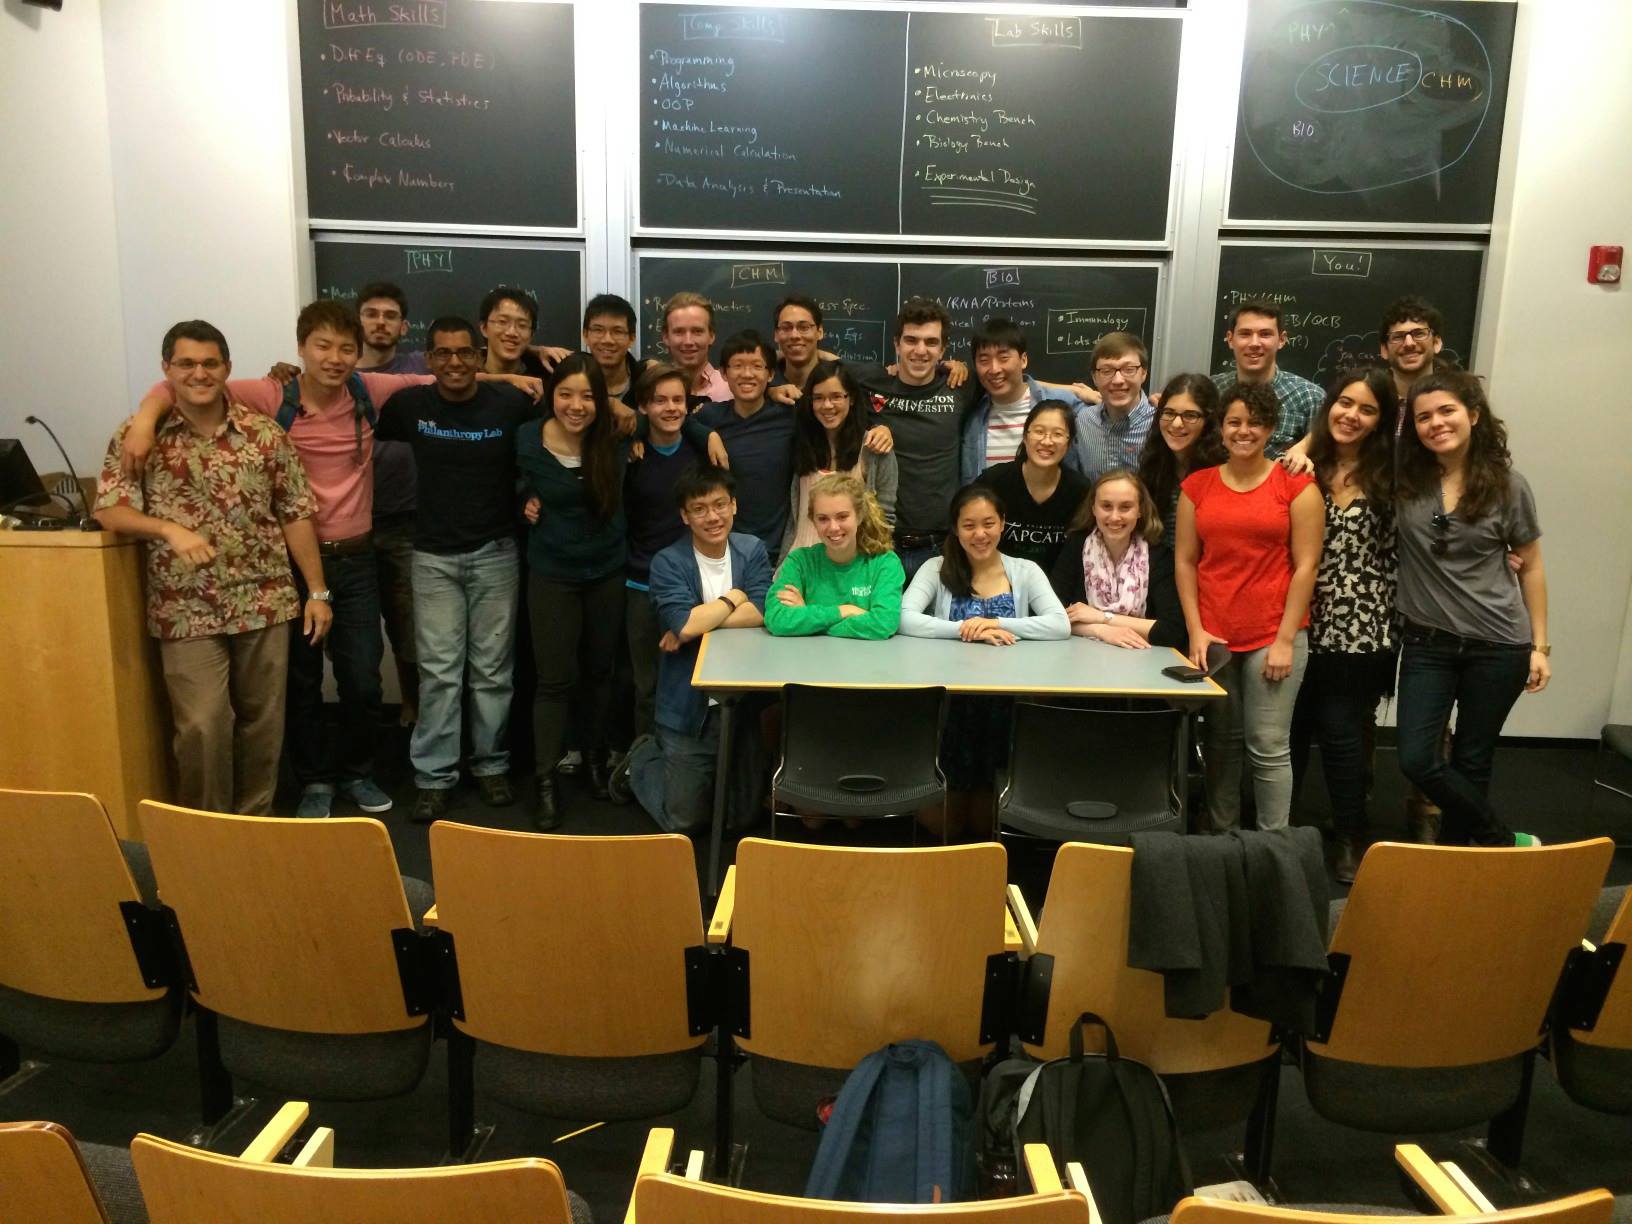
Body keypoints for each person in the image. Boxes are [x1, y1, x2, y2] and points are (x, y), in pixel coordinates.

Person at [123, 300, 438, 819]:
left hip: (356, 559)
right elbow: (181, 383)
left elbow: (439, 378)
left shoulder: (368, 390)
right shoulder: (271, 394)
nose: (334, 358)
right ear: (301, 348)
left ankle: (357, 772)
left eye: (345, 349)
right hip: (287, 565)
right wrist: (144, 420)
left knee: (362, 678)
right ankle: (313, 778)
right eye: (323, 346)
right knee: (300, 679)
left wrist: (519, 378)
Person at [94, 320, 330, 817]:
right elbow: (109, 510)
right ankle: (205, 835)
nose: (199, 373)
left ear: (227, 368)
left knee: (263, 724)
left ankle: (253, 827)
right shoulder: (140, 436)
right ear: (166, 370)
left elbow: (295, 513)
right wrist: (167, 530)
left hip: (265, 602)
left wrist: (317, 591)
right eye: (186, 363)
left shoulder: (264, 434)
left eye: (209, 363)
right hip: (186, 610)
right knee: (202, 725)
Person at [518, 354, 719, 827]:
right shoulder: (527, 437)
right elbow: (516, 481)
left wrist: (705, 432)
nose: (576, 404)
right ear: (552, 395)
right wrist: (523, 497)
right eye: (566, 393)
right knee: (553, 679)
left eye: (588, 395)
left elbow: (670, 424)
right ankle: (545, 779)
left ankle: (594, 761)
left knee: (600, 673)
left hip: (607, 571)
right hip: (552, 574)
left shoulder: (617, 436)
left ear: (602, 401)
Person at [372, 316, 543, 823]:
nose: (454, 363)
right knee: (440, 673)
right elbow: (360, 391)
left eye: (464, 353)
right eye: (443, 354)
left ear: (478, 356)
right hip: (432, 558)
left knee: (492, 672)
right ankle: (434, 776)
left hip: (496, 552)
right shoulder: (408, 406)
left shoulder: (509, 405)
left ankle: (491, 765)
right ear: (428, 359)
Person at [1393, 370, 1548, 848]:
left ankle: (1461, 868)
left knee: (1473, 760)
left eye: (1447, 411)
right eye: (1423, 417)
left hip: (1499, 643)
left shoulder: (1508, 485)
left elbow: (1533, 568)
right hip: (1427, 641)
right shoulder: (1402, 478)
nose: (1435, 423)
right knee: (1417, 758)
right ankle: (1503, 842)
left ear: (1474, 415)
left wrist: (1541, 646)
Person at [1176, 382, 1323, 832]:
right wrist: (1197, 631)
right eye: (1235, 422)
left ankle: (1274, 844)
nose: (1244, 431)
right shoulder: (1197, 486)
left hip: (1274, 636)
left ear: (1271, 429)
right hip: (1216, 636)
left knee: (1268, 743)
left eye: (1255, 423)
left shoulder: (1296, 486)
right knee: (1221, 742)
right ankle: (1223, 840)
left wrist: (1283, 641)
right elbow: (1185, 561)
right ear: (1221, 428)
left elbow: (1307, 565)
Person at [901, 484, 1069, 839]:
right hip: (951, 705)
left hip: (1005, 705)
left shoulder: (1024, 570)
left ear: (1003, 523)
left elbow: (1059, 623)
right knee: (945, 823)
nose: (980, 534)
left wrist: (996, 623)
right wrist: (965, 629)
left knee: (985, 824)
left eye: (989, 523)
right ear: (955, 529)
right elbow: (905, 618)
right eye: (969, 525)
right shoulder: (937, 568)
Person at [612, 467, 773, 832]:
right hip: (688, 709)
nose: (712, 516)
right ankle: (641, 759)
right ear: (685, 516)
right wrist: (735, 596)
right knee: (685, 821)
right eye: (699, 509)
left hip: (740, 704)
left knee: (739, 820)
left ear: (734, 505)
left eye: (720, 504)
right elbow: (683, 624)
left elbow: (765, 611)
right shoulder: (668, 561)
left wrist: (699, 621)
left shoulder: (752, 549)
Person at [1288, 366, 1399, 882]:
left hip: (1363, 627)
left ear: (1382, 420)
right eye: (1344, 404)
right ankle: (1284, 832)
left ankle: (1351, 837)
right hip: (1297, 618)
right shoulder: (1299, 466)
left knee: (1341, 733)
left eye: (1367, 409)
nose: (1352, 415)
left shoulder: (1396, 474)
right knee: (1289, 729)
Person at [851, 298, 976, 583]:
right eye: (911, 340)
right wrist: (773, 390)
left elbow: (1019, 382)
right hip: (881, 545)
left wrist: (1082, 392)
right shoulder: (869, 381)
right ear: (896, 344)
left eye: (931, 342)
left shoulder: (960, 384)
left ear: (943, 349)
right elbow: (819, 374)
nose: (920, 350)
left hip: (942, 547)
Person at [623, 362, 707, 741]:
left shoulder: (701, 452)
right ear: (643, 406)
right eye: (659, 401)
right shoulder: (629, 455)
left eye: (678, 400)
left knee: (693, 682)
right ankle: (643, 759)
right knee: (645, 685)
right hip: (640, 584)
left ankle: (687, 763)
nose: (670, 408)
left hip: (693, 586)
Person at [356, 281, 425, 726]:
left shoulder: (419, 365)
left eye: (389, 315)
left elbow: (476, 362)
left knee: (409, 629)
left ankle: (413, 710)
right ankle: (363, 725)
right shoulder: (333, 371)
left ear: (403, 326)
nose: (380, 322)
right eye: (370, 313)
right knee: (357, 637)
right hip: (348, 527)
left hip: (407, 521)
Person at [1050, 469, 1183, 649]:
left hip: (1141, 659)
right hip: (1079, 656)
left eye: (1125, 507)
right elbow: (1052, 616)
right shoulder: (1076, 545)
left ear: (1140, 510)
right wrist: (1100, 630)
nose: (1114, 517)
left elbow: (1172, 632)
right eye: (1106, 506)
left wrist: (1103, 617)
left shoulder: (1159, 555)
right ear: (1093, 508)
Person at [694, 331, 797, 561]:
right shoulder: (709, 416)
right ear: (724, 373)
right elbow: (676, 423)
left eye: (757, 366)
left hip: (778, 553)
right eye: (737, 366)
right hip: (723, 552)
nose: (747, 374)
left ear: (770, 374)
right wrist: (709, 435)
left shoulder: (789, 416)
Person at [764, 473, 904, 639]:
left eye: (842, 516)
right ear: (813, 521)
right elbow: (776, 619)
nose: (833, 527)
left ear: (859, 516)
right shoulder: (799, 561)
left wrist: (808, 617)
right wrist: (844, 611)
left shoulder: (885, 563)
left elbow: (883, 624)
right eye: (823, 519)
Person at [959, 317, 1095, 482]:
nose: (994, 369)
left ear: (1023, 360)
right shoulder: (970, 414)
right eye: (984, 360)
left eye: (1004, 358)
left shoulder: (1065, 405)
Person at [785, 359, 898, 554]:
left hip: (853, 567)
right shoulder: (801, 445)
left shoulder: (874, 448)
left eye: (836, 396)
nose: (827, 405)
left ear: (851, 398)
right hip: (800, 563)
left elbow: (884, 519)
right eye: (818, 398)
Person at [976, 400, 1091, 573]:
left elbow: (1080, 554)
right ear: (1025, 436)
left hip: (1056, 589)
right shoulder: (993, 481)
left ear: (1069, 442)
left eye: (1058, 434)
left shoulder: (1080, 490)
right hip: (998, 581)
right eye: (1039, 432)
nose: (1047, 441)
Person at [1212, 300, 1325, 459]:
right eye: (1245, 334)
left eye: (1265, 334)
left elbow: (1323, 458)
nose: (1254, 343)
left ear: (1281, 340)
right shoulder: (1211, 390)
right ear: (1230, 339)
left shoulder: (1310, 397)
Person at [1136, 373, 1226, 537]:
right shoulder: (1153, 462)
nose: (1176, 424)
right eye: (1169, 413)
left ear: (1208, 421)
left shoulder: (1224, 471)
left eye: (1190, 415)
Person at [1077, 332, 1157, 479]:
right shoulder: (1083, 422)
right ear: (1095, 377)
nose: (1118, 380)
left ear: (1144, 373)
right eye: (1107, 371)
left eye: (1129, 369)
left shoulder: (1161, 424)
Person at [660, 291, 731, 402]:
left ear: (711, 336)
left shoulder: (732, 389)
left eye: (697, 331)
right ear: (666, 337)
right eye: (679, 332)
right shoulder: (652, 391)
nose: (688, 341)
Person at [581, 293, 647, 404]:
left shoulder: (648, 383)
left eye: (618, 331)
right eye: (598, 330)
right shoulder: (568, 378)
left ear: (632, 338)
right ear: (585, 335)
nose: (607, 340)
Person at [480, 285, 552, 380]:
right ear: (484, 328)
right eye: (502, 322)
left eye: (522, 325)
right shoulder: (466, 377)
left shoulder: (544, 380)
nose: (512, 332)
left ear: (532, 334)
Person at [771, 293, 827, 391]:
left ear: (820, 332)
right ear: (776, 335)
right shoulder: (763, 384)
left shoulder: (839, 382)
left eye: (804, 327)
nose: (794, 336)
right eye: (786, 328)